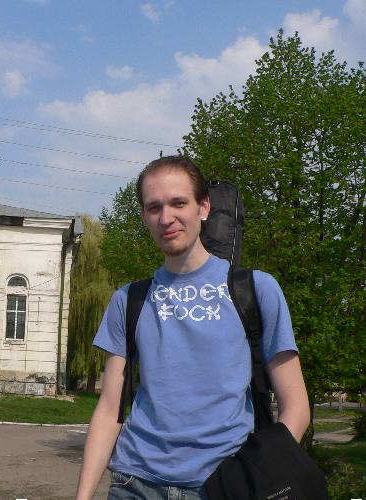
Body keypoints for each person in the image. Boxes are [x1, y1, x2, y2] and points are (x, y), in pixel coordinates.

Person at [75, 156, 310, 500]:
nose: (166, 218)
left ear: (203, 207)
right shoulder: (129, 301)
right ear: (143, 217)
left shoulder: (256, 290)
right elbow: (110, 410)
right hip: (136, 484)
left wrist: (257, 475)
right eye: (154, 207)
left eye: (178, 203)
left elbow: (297, 406)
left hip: (224, 486)